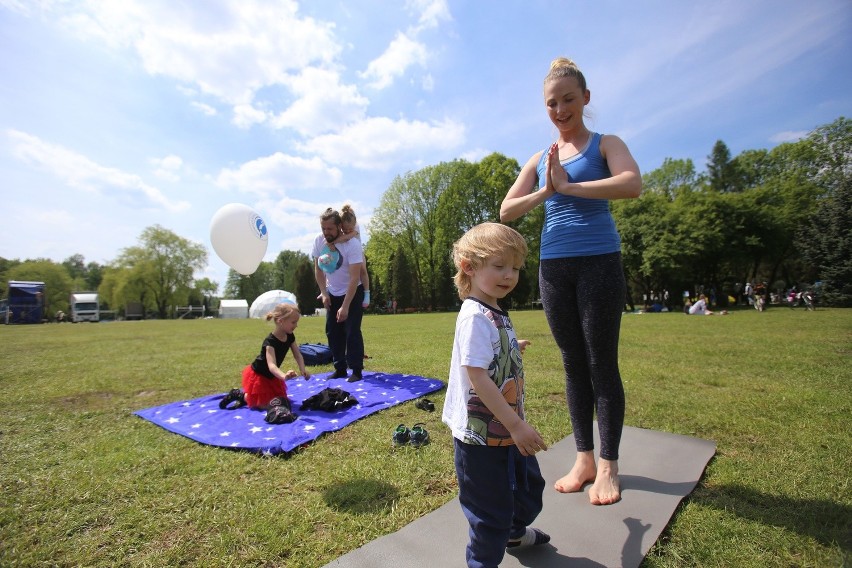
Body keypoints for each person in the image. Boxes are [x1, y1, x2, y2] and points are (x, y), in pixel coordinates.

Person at [500, 57, 642, 506]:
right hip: (554, 268)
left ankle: (608, 465)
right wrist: (546, 189)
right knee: (572, 364)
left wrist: (572, 188)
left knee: (601, 363)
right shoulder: (541, 158)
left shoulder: (605, 144)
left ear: (585, 98)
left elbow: (632, 183)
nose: (560, 110)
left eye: (567, 100)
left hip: (599, 261)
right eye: (551, 104)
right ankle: (583, 458)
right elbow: (506, 211)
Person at [442, 222, 550, 568]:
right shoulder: (474, 315)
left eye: (515, 267)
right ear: (469, 267)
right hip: (482, 437)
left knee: (529, 491)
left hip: (503, 431)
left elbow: (485, 356)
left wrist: (508, 346)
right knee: (489, 513)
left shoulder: (493, 309)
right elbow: (476, 376)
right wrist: (516, 426)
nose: (509, 275)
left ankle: (515, 533)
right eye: (499, 266)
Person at [221, 302, 311, 411]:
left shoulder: (290, 336)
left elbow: (297, 355)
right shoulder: (270, 342)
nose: (296, 325)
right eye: (293, 322)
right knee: (263, 405)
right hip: (260, 375)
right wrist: (284, 376)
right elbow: (271, 365)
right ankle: (239, 395)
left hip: (272, 377)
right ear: (280, 321)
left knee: (280, 402)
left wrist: (303, 370)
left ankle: (248, 397)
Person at [313, 207, 366, 382]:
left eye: (330, 229)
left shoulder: (352, 244)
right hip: (332, 292)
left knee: (351, 330)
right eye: (323, 229)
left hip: (352, 291)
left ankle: (356, 370)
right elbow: (319, 270)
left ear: (339, 227)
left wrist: (345, 306)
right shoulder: (319, 241)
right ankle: (340, 368)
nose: (326, 232)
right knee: (332, 331)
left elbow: (354, 278)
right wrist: (324, 292)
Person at [331, 204, 371, 309]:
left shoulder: (356, 225)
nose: (347, 231)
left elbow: (349, 237)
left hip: (357, 251)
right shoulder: (342, 226)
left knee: (362, 269)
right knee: (334, 266)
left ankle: (367, 292)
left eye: (350, 228)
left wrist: (337, 240)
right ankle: (328, 288)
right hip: (346, 251)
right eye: (345, 229)